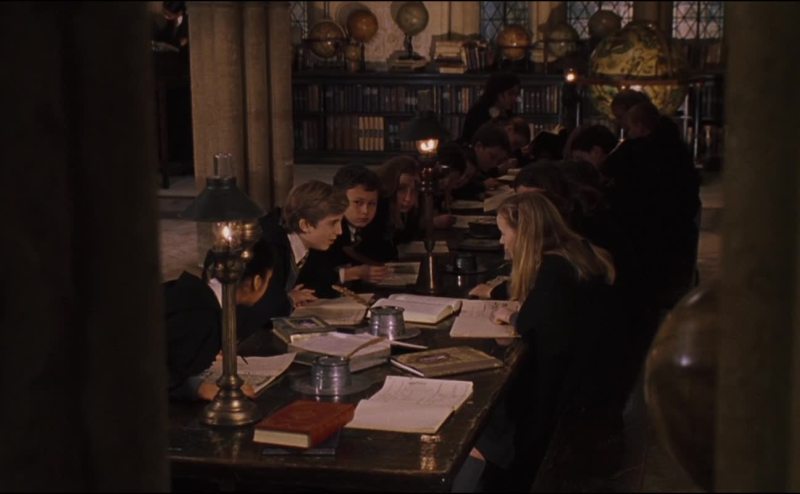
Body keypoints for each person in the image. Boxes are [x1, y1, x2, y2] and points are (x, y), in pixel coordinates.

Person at [476, 191, 618, 491]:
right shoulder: (574, 250)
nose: (502, 241)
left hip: (563, 389)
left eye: (504, 233)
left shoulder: (554, 269)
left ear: (523, 233)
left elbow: (533, 323)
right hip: (592, 375)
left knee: (494, 399)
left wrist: (510, 316)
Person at [164, 238, 275, 401]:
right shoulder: (203, 319)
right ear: (256, 282)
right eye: (268, 280)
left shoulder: (190, 292)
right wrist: (198, 388)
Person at [238, 180, 348, 340]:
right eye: (333, 223)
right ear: (305, 225)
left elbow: (320, 282)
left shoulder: (310, 243)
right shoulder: (270, 247)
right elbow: (263, 308)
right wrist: (288, 299)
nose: (339, 231)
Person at [296, 165, 390, 293]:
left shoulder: (372, 224)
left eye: (372, 204)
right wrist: (351, 273)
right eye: (358, 202)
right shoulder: (323, 227)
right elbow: (312, 276)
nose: (365, 211)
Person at [460, 72, 521, 143]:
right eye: (510, 93)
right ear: (497, 93)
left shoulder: (509, 114)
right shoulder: (478, 113)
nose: (514, 98)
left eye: (516, 94)